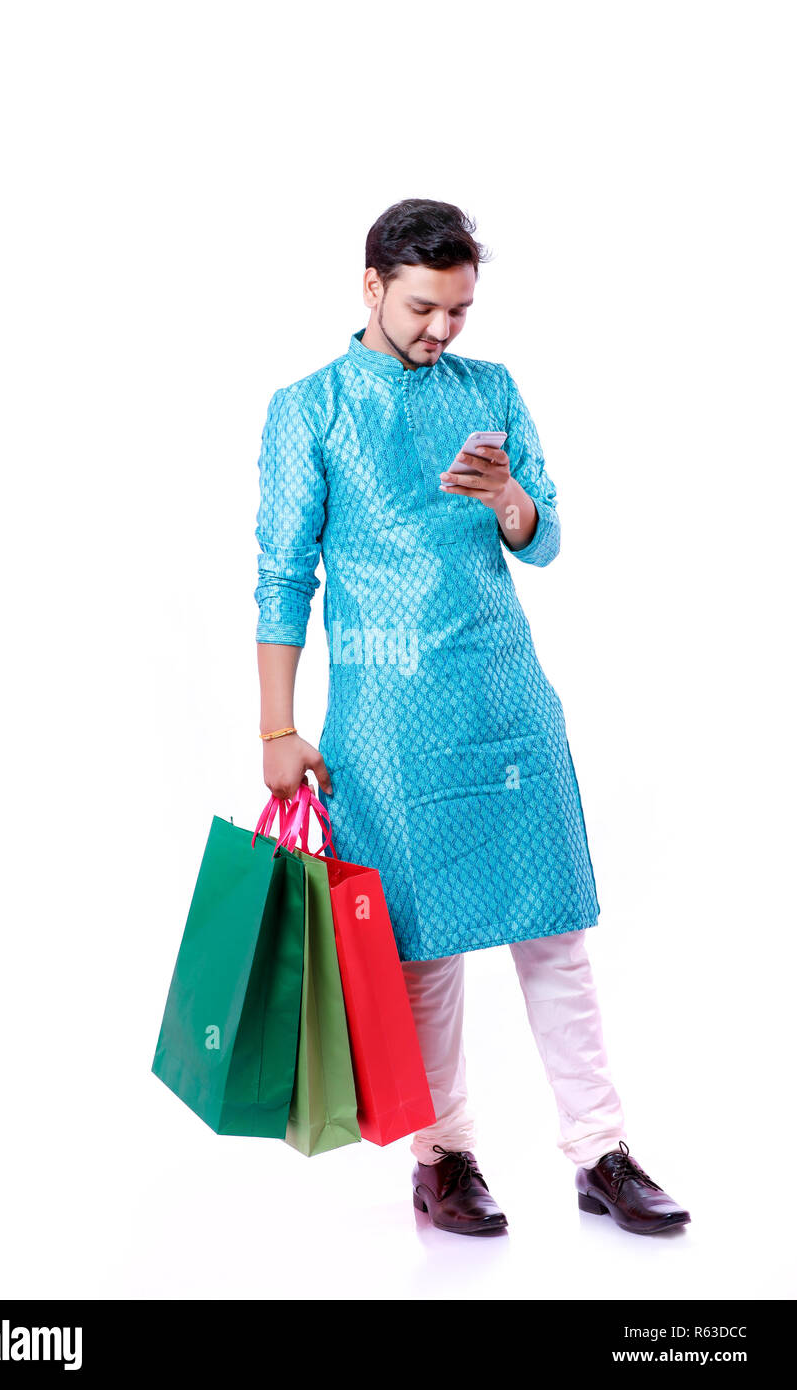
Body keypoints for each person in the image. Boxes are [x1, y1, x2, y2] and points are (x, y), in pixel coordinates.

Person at [253, 197, 690, 1238]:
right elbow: (281, 575)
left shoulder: (489, 390)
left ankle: (599, 1151)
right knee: (420, 951)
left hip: (502, 696)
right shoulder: (308, 408)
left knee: (553, 936)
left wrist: (507, 501)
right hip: (385, 716)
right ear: (370, 286)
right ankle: (441, 1156)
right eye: (422, 308)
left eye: (457, 310)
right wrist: (276, 729)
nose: (441, 330)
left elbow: (541, 538)